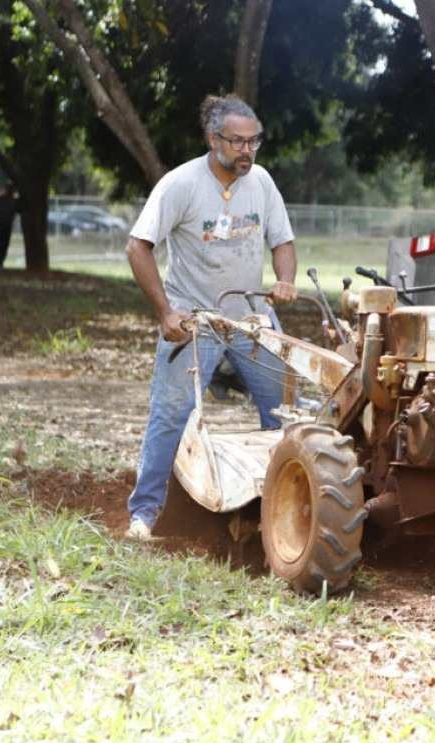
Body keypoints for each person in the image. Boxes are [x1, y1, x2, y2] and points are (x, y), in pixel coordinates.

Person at [124, 94, 298, 540]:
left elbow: (282, 241)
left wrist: (284, 279)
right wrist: (166, 313)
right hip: (195, 322)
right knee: (171, 413)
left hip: (251, 320)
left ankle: (275, 512)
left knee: (286, 414)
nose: (246, 150)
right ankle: (144, 515)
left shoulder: (261, 182)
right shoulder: (180, 184)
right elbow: (137, 246)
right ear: (212, 138)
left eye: (253, 141)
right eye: (237, 141)